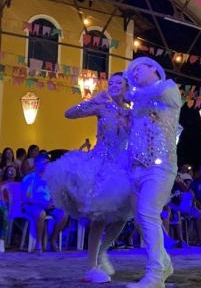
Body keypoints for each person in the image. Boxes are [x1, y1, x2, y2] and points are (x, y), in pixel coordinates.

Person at [44, 72, 133, 283]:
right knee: (99, 217)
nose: (113, 85)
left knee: (123, 216)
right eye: (110, 82)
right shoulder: (103, 107)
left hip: (121, 166)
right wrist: (92, 100)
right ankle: (91, 267)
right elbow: (69, 113)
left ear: (126, 87)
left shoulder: (131, 113)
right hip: (99, 163)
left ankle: (101, 252)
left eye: (118, 82)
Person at [125, 56, 181, 288]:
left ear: (153, 69)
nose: (133, 75)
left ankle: (156, 274)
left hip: (161, 165)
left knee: (148, 213)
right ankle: (164, 263)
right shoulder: (137, 102)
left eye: (137, 69)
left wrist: (133, 93)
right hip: (137, 167)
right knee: (141, 218)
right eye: (131, 73)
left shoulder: (169, 88)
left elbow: (161, 94)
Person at [21, 153, 68, 254]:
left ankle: (53, 240)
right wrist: (41, 202)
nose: (47, 165)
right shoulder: (29, 178)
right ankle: (38, 243)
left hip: (48, 205)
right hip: (32, 205)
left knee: (64, 214)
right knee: (41, 214)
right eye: (44, 163)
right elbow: (25, 198)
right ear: (37, 164)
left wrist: (54, 202)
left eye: (48, 163)